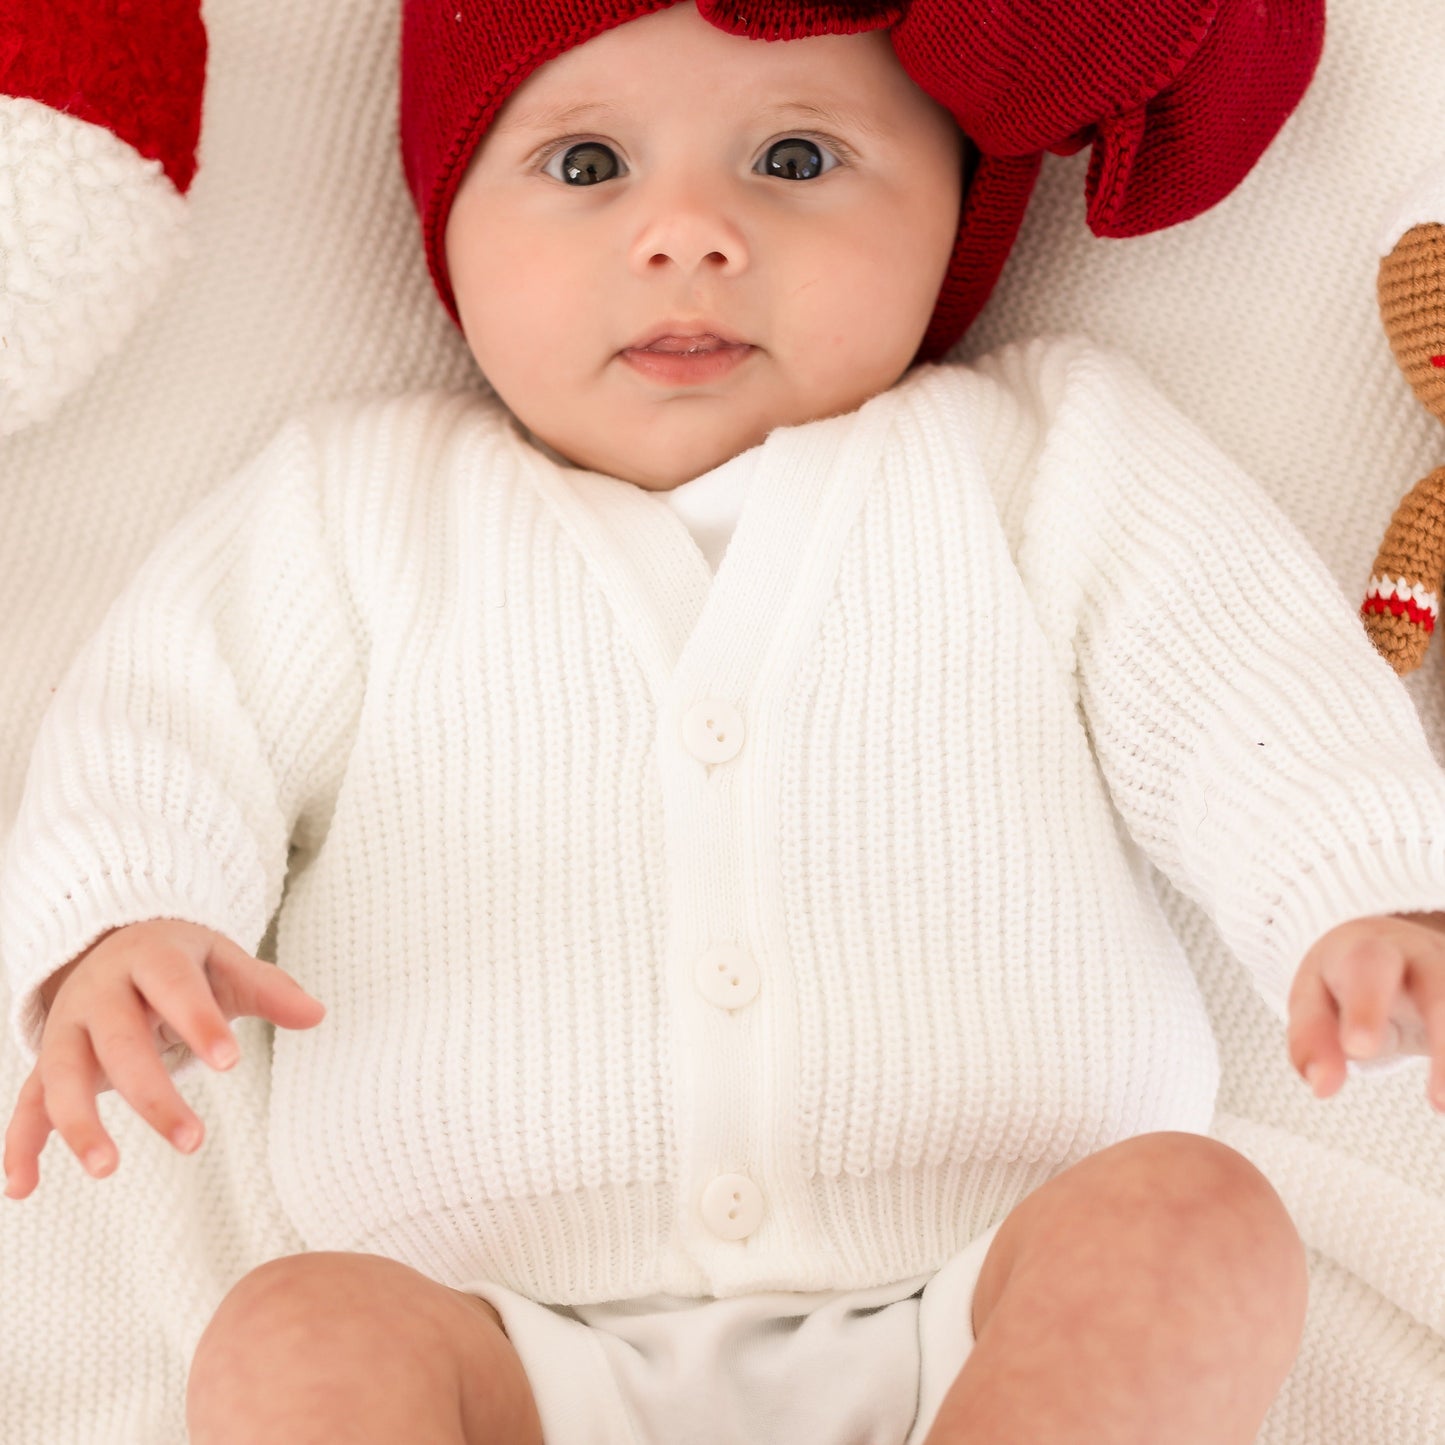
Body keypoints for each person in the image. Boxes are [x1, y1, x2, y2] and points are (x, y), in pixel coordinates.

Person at [3, 2, 1444, 1442]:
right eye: (583, 168)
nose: (686, 231)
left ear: (952, 205)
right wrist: (121, 927)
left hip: (995, 1289)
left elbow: (1234, 673)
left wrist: (1357, 893)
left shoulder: (1035, 456)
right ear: (444, 222)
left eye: (798, 158)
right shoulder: (353, 507)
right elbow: (168, 718)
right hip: (503, 1343)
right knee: (292, 1329)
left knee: (1193, 1221)